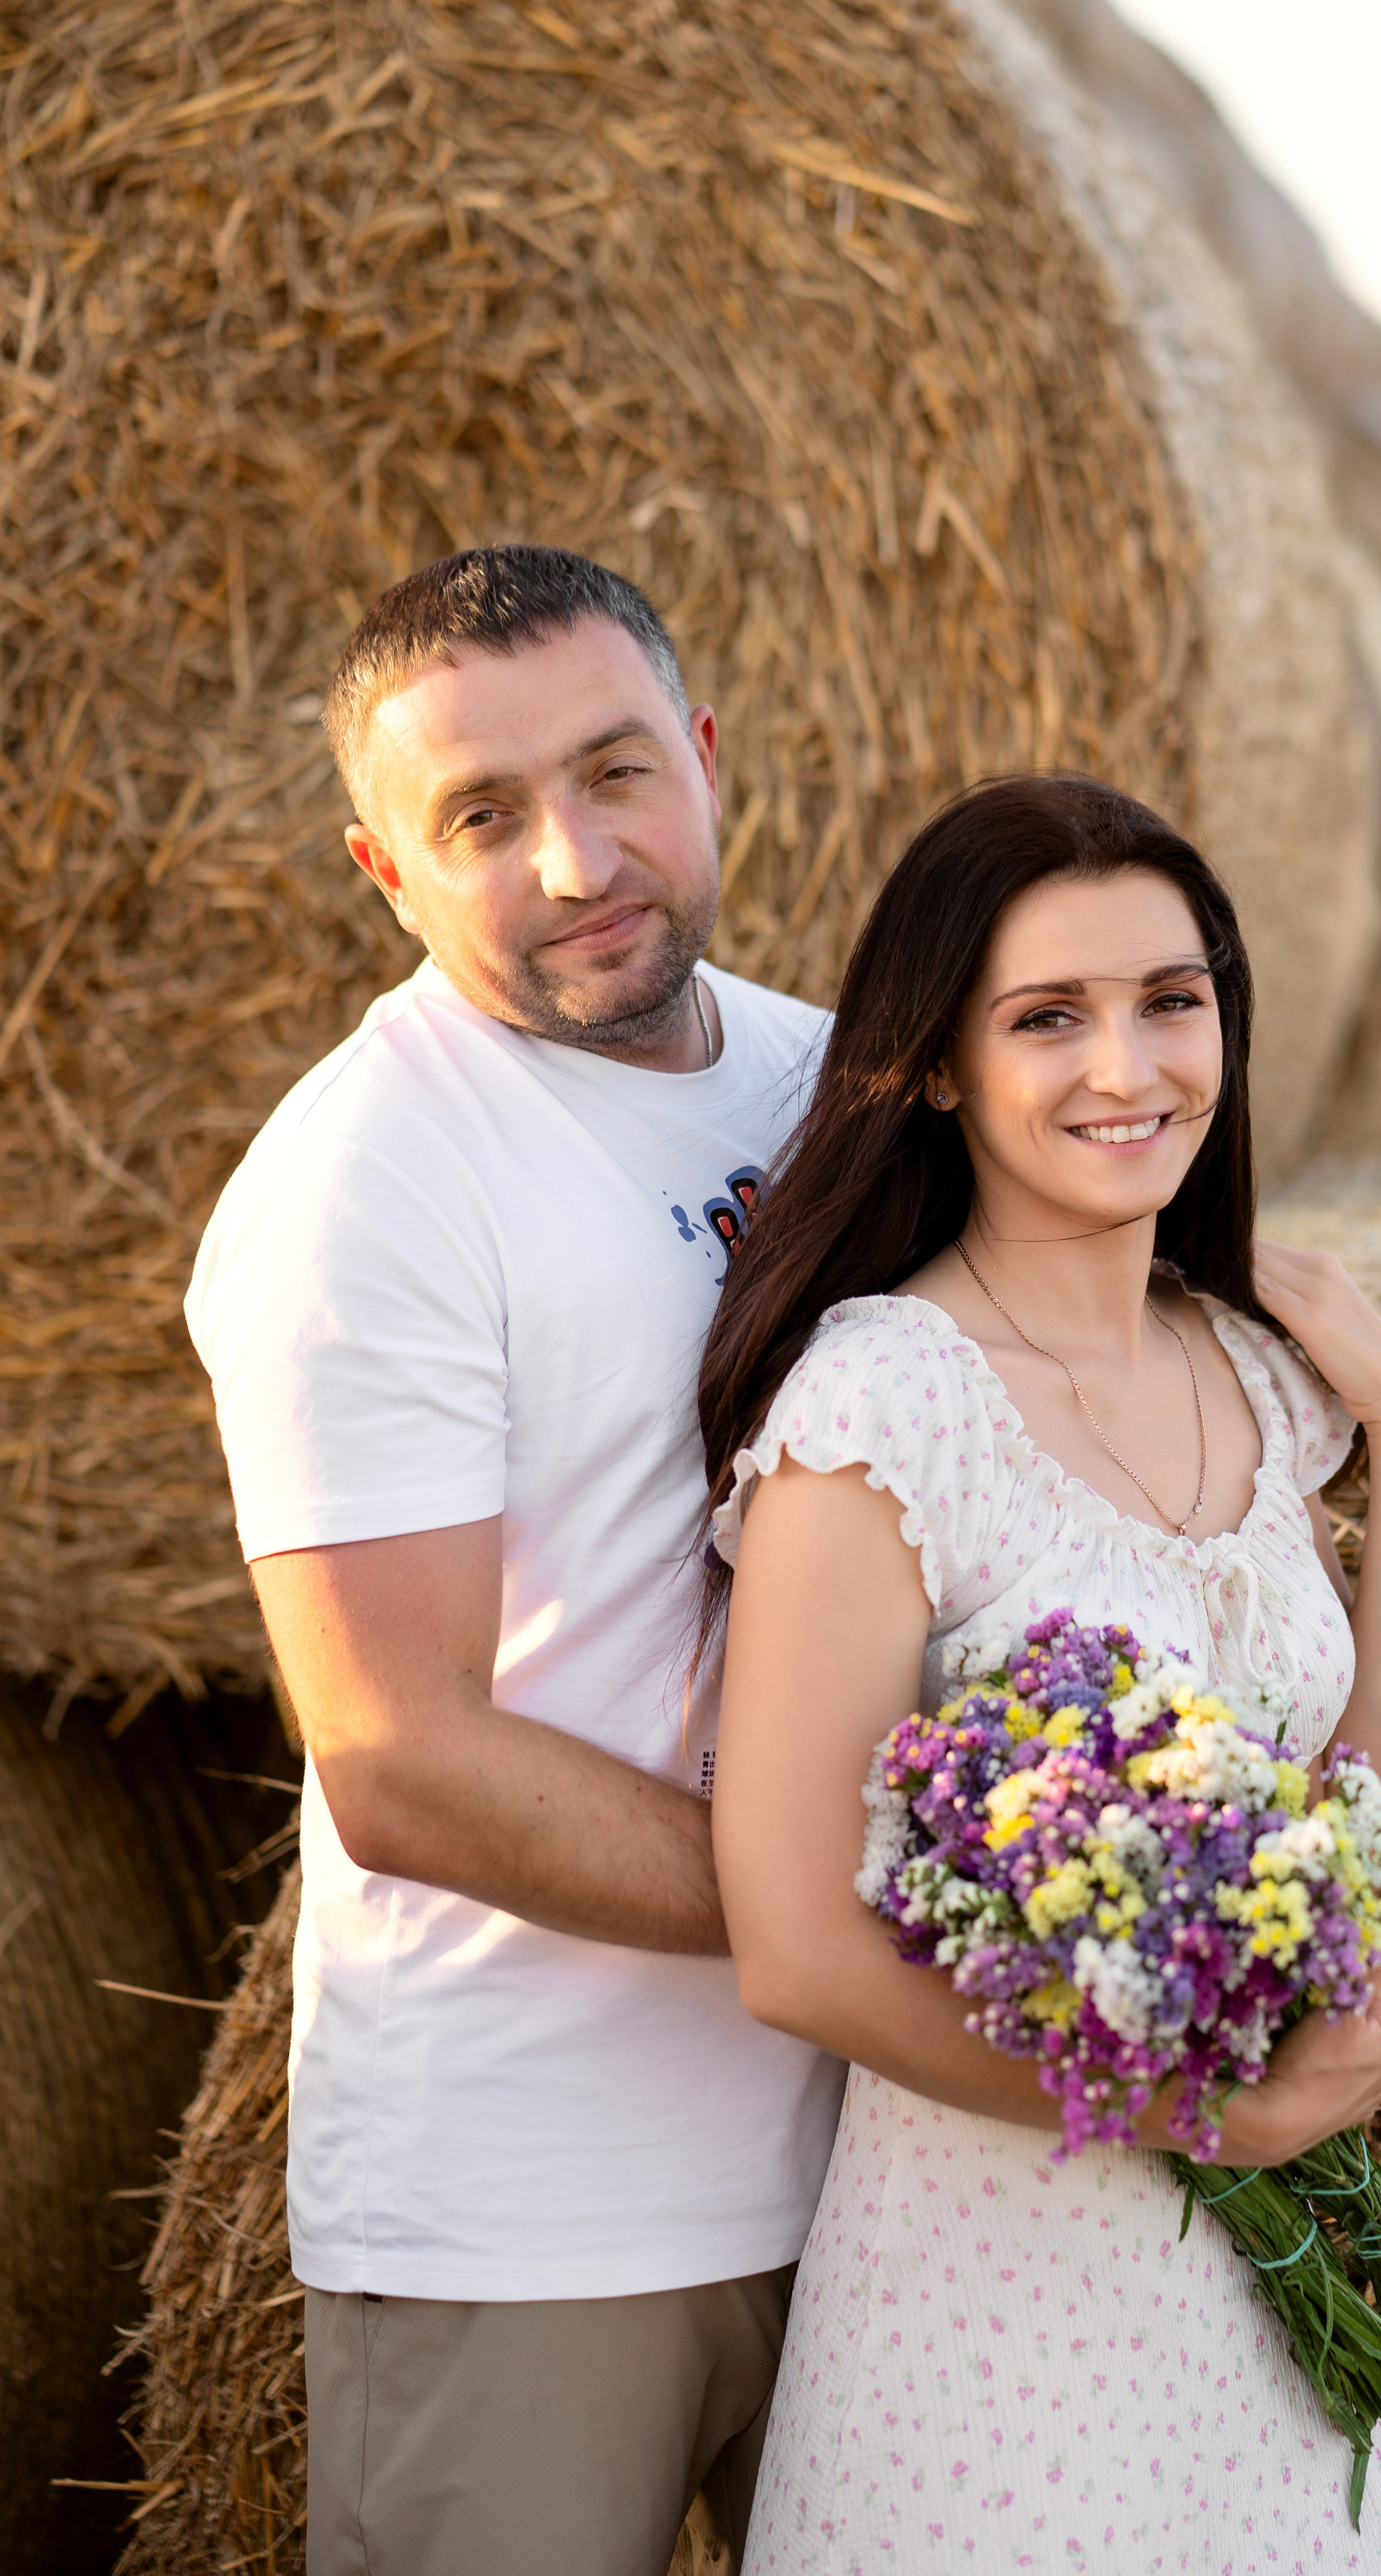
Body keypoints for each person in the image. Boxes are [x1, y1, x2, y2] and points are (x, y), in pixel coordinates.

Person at [701, 775, 1381, 2571]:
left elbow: (1360, 1821)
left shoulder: (1248, 1370)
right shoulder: (884, 1402)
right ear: (939, 1067)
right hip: (993, 2296)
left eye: (1170, 1001)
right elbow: (795, 1948)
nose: (1129, 1067)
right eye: (1049, 1017)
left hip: (1250, 2320)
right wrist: (1212, 2109)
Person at [184, 545, 845, 2576]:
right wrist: (868, 1918)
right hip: (536, 2212)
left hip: (887, 2175)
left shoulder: (849, 1085)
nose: (577, 860)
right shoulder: (367, 1185)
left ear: (705, 757)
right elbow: (406, 1760)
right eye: (482, 816)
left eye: (617, 771)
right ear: (385, 872)